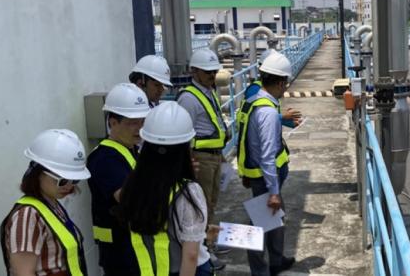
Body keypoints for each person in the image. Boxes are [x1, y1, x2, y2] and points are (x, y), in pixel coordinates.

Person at [117, 102, 216, 276]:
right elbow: (191, 255)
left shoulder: (134, 185)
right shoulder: (189, 192)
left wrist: (203, 235)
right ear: (185, 147)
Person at [0, 129, 92, 276]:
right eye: (62, 181)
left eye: (75, 180)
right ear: (38, 174)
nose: (69, 186)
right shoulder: (27, 216)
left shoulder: (52, 206)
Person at [237, 51, 296, 276]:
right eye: (286, 83)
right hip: (265, 178)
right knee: (258, 227)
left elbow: (244, 139)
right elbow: (267, 156)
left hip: (257, 174)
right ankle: (261, 271)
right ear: (281, 82)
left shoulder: (251, 100)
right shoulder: (268, 112)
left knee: (274, 218)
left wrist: (244, 171)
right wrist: (273, 191)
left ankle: (276, 261)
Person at [87, 83, 149, 275]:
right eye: (132, 123)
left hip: (137, 248)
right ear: (113, 122)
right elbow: (128, 198)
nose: (139, 128)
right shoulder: (105, 158)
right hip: (121, 254)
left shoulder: (132, 150)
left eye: (142, 122)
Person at [176, 48, 228, 228]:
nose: (212, 75)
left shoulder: (209, 91)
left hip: (214, 155)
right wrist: (188, 162)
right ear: (194, 71)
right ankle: (203, 246)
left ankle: (208, 239)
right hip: (201, 158)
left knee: (212, 201)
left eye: (214, 71)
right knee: (202, 203)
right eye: (207, 72)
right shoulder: (188, 99)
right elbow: (183, 134)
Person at [245, 49, 302, 129]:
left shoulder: (268, 91)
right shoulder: (254, 90)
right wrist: (283, 117)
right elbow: (260, 117)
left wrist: (289, 122)